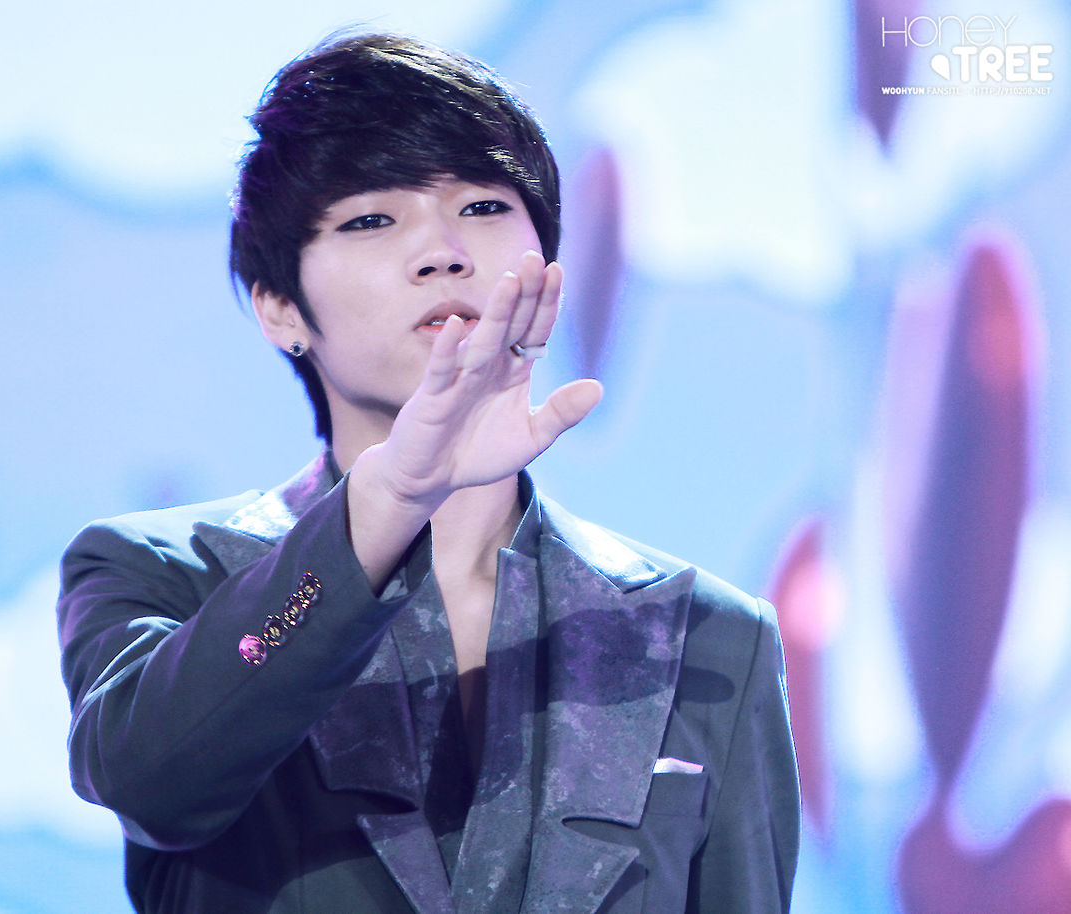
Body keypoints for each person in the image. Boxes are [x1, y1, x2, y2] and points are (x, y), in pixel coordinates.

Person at [57, 32, 800, 914]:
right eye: (371, 220)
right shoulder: (166, 574)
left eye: (483, 206)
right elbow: (151, 780)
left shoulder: (708, 638)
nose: (442, 251)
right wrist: (393, 499)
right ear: (281, 308)